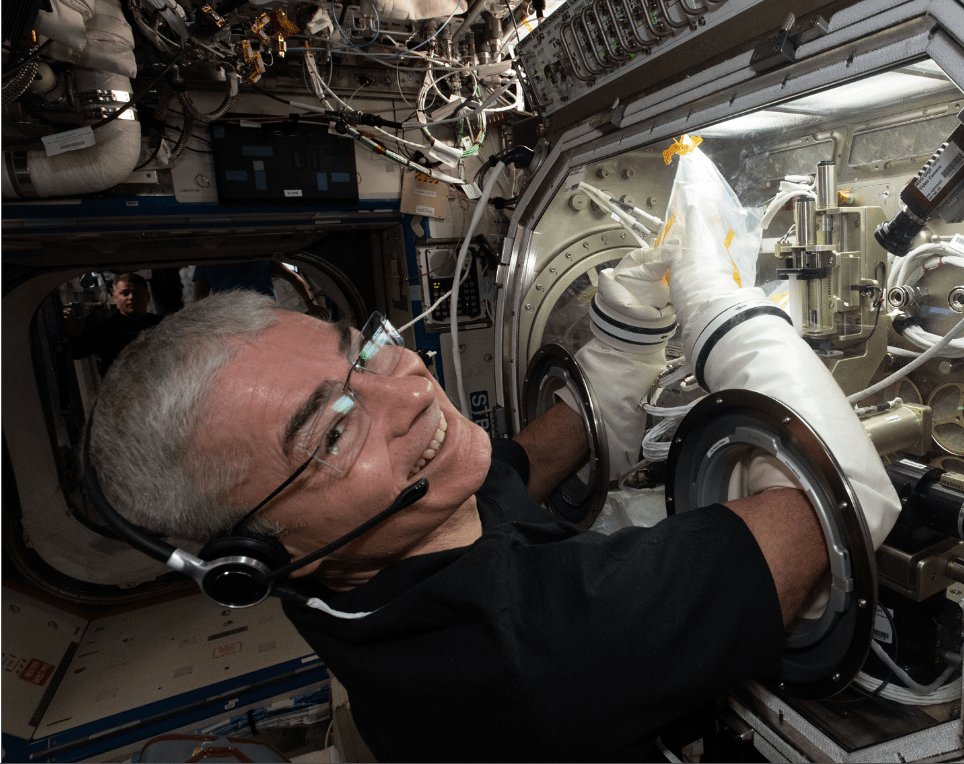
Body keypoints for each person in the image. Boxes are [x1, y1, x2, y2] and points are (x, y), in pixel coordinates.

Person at [88, 145, 899, 760]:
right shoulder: (536, 654)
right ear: (255, 558)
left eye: (359, 349)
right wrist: (721, 307)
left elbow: (512, 470)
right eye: (334, 429)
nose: (408, 389)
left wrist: (628, 323)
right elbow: (838, 509)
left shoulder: (366, 565)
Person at [63, 272, 163, 376]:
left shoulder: (163, 324)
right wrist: (75, 334)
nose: (131, 297)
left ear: (147, 296)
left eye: (136, 293)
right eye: (125, 293)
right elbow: (77, 352)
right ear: (115, 297)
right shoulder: (106, 328)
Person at [192, 260, 330, 318]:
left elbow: (199, 299)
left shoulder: (207, 263)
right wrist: (311, 304)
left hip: (232, 318)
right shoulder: (258, 257)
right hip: (265, 315)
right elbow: (294, 278)